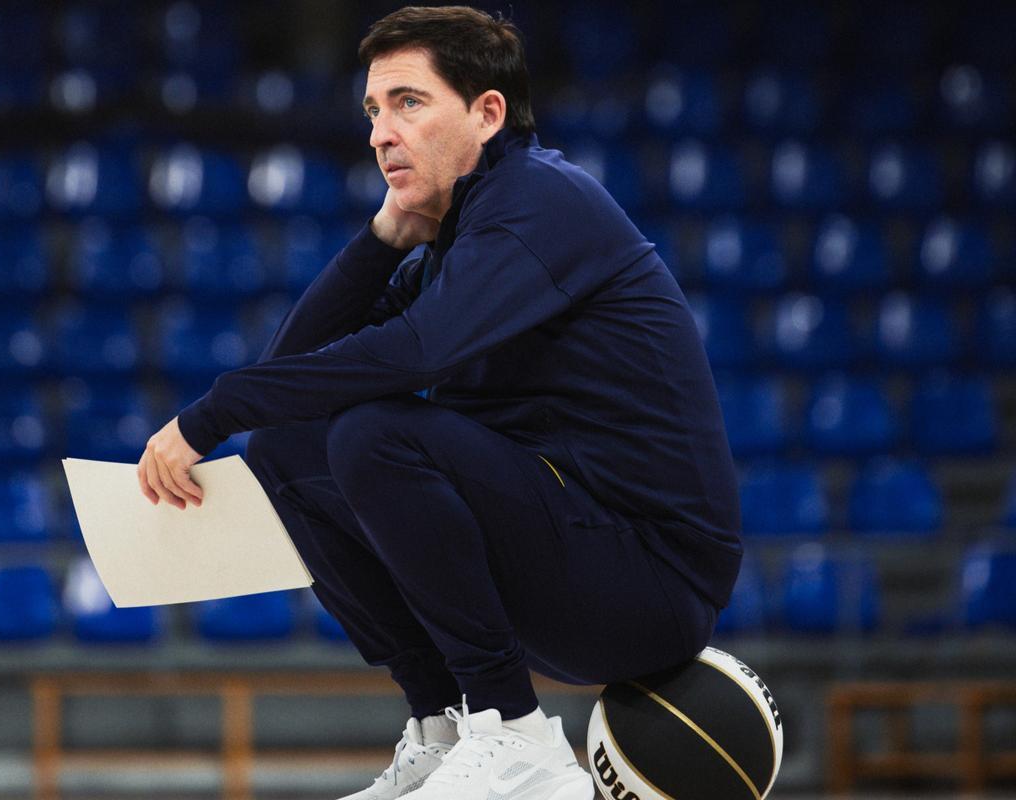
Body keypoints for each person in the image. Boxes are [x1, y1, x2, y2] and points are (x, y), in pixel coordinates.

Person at [137, 6, 742, 799]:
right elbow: (293, 375)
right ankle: (445, 724)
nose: (380, 133)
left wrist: (207, 414)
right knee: (285, 453)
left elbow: (414, 353)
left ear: (488, 112)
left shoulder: (542, 201)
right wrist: (383, 237)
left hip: (649, 582)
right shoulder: (458, 236)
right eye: (373, 111)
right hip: (568, 555)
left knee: (376, 434)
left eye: (408, 102)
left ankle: (517, 735)